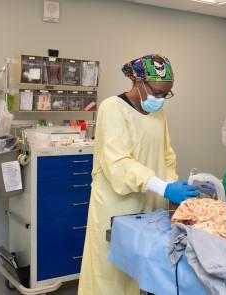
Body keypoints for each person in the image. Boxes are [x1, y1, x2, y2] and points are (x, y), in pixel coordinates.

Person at [78, 54, 200, 295]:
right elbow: (118, 162)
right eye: (157, 92)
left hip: (149, 205)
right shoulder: (112, 108)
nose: (161, 99)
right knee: (111, 276)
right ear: (138, 83)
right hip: (117, 205)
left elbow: (166, 155)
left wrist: (172, 185)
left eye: (166, 94)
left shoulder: (158, 113)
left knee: (143, 274)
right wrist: (162, 187)